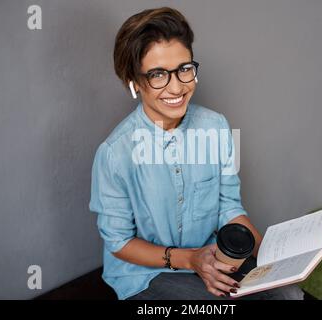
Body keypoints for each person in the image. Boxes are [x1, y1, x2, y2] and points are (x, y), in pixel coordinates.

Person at [89, 7, 304, 300]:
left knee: (289, 295)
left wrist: (271, 254)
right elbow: (119, 241)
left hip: (214, 255)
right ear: (134, 82)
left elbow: (229, 208)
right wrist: (190, 259)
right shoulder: (115, 154)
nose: (177, 86)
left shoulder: (216, 127)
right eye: (158, 75)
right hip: (146, 273)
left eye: (184, 69)